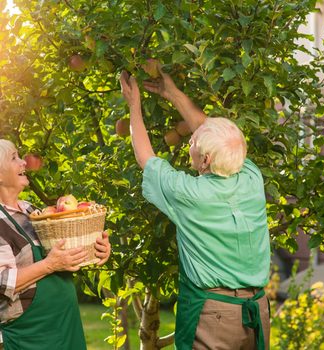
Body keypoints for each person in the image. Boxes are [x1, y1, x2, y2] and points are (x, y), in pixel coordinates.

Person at [120, 68, 271, 350]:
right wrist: (172, 92)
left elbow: (145, 157)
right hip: (256, 310)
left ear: (205, 161)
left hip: (214, 315)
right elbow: (206, 127)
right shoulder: (251, 177)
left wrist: (133, 104)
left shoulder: (189, 194)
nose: (190, 139)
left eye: (194, 143)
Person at [0, 139, 111, 350]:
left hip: (65, 325)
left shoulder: (32, 211)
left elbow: (62, 255)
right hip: (31, 335)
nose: (24, 162)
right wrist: (49, 265)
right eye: (14, 158)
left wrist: (97, 249)